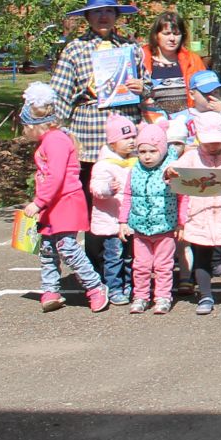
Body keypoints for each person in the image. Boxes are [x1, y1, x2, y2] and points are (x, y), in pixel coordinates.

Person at [19, 81, 108, 313]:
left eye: (25, 126)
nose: (23, 131)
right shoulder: (48, 140)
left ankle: (95, 287)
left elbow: (57, 176)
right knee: (48, 248)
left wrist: (39, 202)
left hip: (65, 201)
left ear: (35, 125)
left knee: (67, 247)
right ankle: (50, 289)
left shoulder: (55, 141)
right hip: (52, 203)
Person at [48, 0, 145, 171]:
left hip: (126, 128)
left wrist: (142, 87)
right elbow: (60, 93)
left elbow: (147, 85)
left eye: (109, 11)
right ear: (87, 17)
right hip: (89, 130)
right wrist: (57, 130)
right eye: (97, 11)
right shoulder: (75, 49)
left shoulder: (130, 48)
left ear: (116, 15)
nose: (103, 16)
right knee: (90, 187)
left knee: (125, 186)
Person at [173, 119, 221, 315]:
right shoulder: (191, 156)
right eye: (208, 143)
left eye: (217, 142)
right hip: (199, 215)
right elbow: (174, 170)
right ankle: (205, 295)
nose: (213, 147)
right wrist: (170, 172)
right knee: (202, 256)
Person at [125, 122, 179, 314]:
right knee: (141, 265)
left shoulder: (171, 169)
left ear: (163, 150)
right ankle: (141, 296)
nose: (147, 156)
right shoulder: (135, 170)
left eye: (153, 151)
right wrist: (123, 222)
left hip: (165, 226)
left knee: (163, 265)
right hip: (140, 227)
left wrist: (182, 222)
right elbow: (127, 195)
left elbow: (183, 196)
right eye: (142, 151)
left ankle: (163, 296)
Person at [85, 113, 138, 305]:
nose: (131, 141)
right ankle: (114, 287)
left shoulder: (135, 161)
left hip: (131, 219)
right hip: (112, 221)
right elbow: (96, 188)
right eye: (126, 138)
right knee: (114, 256)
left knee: (131, 257)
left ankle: (130, 285)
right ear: (113, 142)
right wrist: (108, 189)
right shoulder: (104, 165)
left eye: (133, 137)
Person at [140, 11, 206, 116]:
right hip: (154, 123)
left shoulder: (193, 60)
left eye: (176, 34)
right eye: (166, 34)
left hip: (188, 122)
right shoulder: (141, 60)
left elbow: (205, 93)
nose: (172, 39)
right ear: (156, 35)